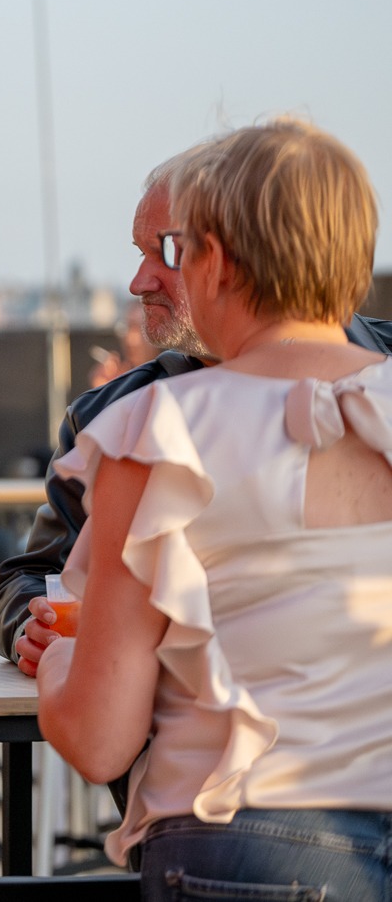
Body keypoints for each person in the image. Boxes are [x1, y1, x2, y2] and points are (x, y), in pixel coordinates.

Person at [36, 120, 392, 888]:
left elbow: (99, 739)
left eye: (177, 250)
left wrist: (60, 659)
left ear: (218, 263)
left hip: (250, 845)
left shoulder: (160, 429)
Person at [0, 154, 392, 675]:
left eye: (168, 252)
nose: (139, 282)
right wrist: (32, 626)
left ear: (239, 257)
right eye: (140, 254)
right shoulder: (114, 418)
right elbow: (37, 576)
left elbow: (97, 736)